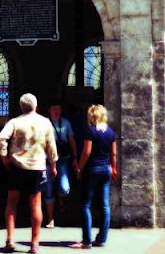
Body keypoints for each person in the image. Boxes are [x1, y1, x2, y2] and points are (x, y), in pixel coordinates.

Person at [0, 93, 58, 254]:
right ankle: (34, 243)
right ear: (36, 107)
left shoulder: (15, 122)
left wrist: (4, 156)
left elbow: (2, 138)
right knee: (36, 204)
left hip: (18, 166)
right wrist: (53, 165)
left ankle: (10, 239)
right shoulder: (45, 122)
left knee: (12, 201)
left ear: (21, 107)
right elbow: (51, 146)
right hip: (37, 167)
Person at [71, 105, 117, 249]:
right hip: (106, 169)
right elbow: (113, 153)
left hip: (93, 169)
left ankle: (86, 241)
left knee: (85, 205)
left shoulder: (90, 131)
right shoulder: (110, 132)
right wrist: (113, 168)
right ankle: (101, 239)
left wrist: (80, 168)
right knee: (104, 205)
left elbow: (87, 152)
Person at [43, 98, 78, 229]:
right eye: (54, 109)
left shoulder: (66, 123)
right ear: (49, 110)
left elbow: (71, 140)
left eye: (58, 109)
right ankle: (50, 218)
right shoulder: (45, 123)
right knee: (48, 190)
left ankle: (61, 198)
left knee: (64, 188)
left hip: (62, 158)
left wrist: (75, 157)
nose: (56, 111)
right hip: (47, 159)